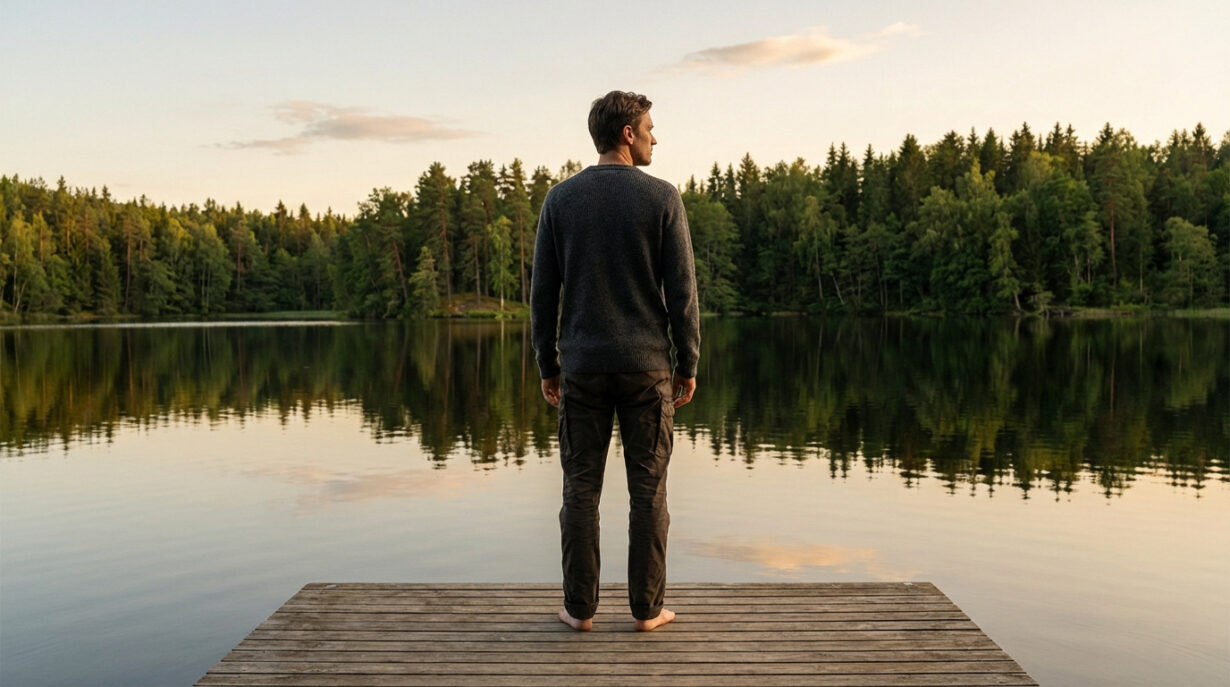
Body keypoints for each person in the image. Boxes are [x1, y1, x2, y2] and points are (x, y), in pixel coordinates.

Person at [531, 90, 700, 632]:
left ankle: (579, 611)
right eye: (650, 127)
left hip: (581, 367)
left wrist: (547, 365)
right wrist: (688, 361)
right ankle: (647, 611)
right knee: (649, 490)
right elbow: (683, 293)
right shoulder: (662, 198)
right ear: (628, 133)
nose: (655, 137)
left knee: (580, 489)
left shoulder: (560, 200)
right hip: (648, 367)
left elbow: (543, 295)